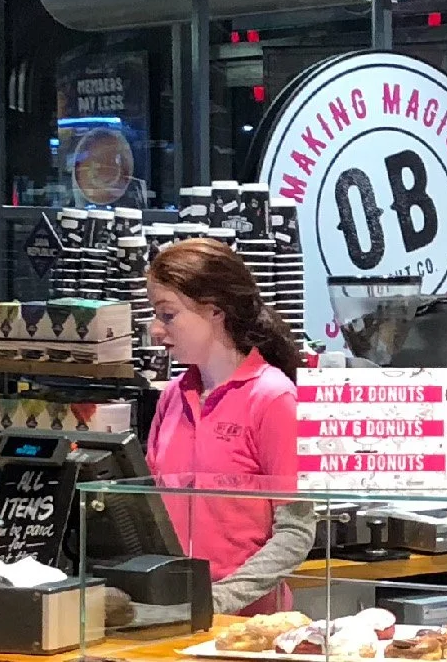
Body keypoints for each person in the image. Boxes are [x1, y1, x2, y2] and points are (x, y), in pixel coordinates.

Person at [143, 238, 309, 614]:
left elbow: (296, 532)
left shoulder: (273, 398)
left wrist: (219, 601)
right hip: (172, 612)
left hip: (247, 627)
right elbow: (149, 513)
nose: (155, 330)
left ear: (215, 311)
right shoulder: (172, 395)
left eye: (167, 315)